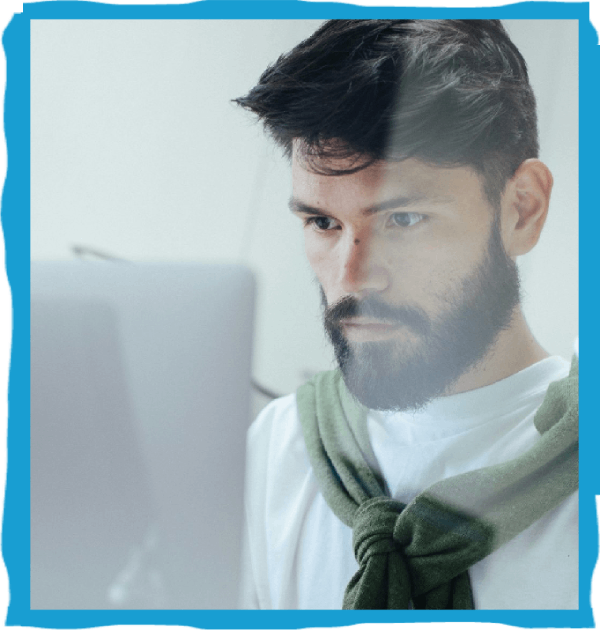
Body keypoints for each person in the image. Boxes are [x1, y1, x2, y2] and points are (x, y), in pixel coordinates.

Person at [234, 19, 578, 610]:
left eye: (404, 219)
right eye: (323, 222)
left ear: (522, 210)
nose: (351, 277)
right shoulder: (280, 444)